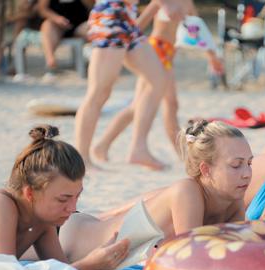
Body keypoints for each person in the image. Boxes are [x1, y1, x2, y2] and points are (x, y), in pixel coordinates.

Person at [59, 120, 265, 264]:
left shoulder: (232, 198)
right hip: (68, 239)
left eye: (249, 163)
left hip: (87, 231)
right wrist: (259, 225)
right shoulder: (187, 192)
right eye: (236, 164)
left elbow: (234, 250)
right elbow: (195, 254)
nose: (247, 173)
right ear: (205, 170)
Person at [0, 125, 130, 270]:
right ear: (29, 193)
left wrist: (99, 262)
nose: (72, 209)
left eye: (76, 197)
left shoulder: (42, 219)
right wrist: (90, 264)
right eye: (63, 199)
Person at [92, 0, 224, 162]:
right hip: (156, 50)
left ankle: (103, 145)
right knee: (170, 104)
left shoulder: (187, 3)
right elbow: (138, 25)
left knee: (138, 106)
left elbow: (197, 30)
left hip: (168, 53)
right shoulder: (161, 1)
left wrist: (212, 57)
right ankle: (181, 155)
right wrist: (127, 52)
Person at [74, 0, 185, 171]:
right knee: (99, 92)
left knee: (158, 80)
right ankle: (82, 157)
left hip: (127, 16)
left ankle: (138, 149)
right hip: (111, 14)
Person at [38, 0, 94, 77]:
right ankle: (50, 61)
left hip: (80, 24)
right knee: (47, 25)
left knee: (93, 28)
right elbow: (42, 9)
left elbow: (93, 6)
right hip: (57, 24)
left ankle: (94, 58)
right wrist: (56, 18)